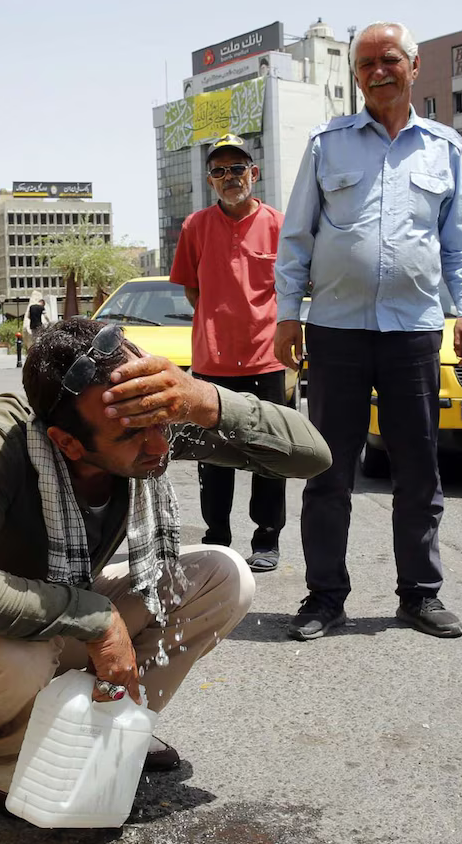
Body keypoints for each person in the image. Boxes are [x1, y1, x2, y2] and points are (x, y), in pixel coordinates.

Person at [0, 317, 331, 806]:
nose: (158, 445)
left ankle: (116, 721)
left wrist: (200, 399)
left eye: (162, 422)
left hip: (70, 598)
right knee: (18, 652)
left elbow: (311, 455)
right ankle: (9, 759)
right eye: (132, 437)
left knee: (224, 576)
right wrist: (96, 618)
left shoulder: (143, 418)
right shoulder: (4, 435)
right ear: (68, 443)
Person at [272, 21, 462, 641]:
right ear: (356, 74)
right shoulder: (326, 144)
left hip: (413, 332)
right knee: (326, 470)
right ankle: (324, 597)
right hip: (335, 332)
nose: (376, 71)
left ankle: (420, 594)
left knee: (417, 468)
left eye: (388, 60)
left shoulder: (443, 149)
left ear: (414, 67)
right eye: (365, 63)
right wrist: (290, 312)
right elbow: (298, 239)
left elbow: (458, 245)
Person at [169, 133, 288, 573]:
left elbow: (293, 287)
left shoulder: (279, 223)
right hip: (212, 362)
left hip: (266, 358)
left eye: (237, 168)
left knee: (268, 453)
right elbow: (192, 289)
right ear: (210, 180)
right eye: (219, 171)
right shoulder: (195, 227)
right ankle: (217, 536)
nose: (229, 177)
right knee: (213, 454)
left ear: (253, 173)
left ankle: (267, 538)